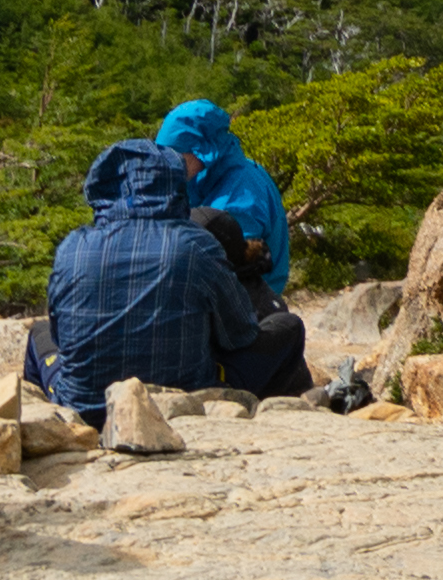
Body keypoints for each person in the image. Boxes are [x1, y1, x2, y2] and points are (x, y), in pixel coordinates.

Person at [37, 138, 306, 405]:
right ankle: (264, 409)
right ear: (174, 185)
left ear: (100, 187)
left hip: (84, 405)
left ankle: (42, 418)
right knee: (288, 326)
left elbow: (61, 337)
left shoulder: (72, 247)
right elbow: (240, 334)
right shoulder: (197, 244)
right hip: (183, 402)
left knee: (39, 333)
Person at [154, 98, 290, 294]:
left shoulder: (241, 189)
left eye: (175, 155)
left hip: (249, 301)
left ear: (201, 150)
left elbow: (227, 263)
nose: (167, 164)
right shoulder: (206, 178)